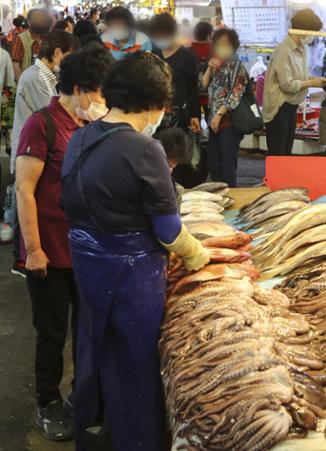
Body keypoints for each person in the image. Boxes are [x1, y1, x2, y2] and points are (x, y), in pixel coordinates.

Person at [60, 51, 209, 451]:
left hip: (89, 269)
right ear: (158, 104)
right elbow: (168, 231)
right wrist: (198, 256)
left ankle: (96, 434)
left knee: (97, 350)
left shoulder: (81, 137)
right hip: (131, 277)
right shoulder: (146, 150)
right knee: (136, 365)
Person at [14, 43, 113, 442]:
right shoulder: (43, 124)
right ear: (81, 89)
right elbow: (24, 190)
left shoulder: (91, 125)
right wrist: (34, 250)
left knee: (87, 328)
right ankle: (48, 401)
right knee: (52, 332)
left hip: (86, 251)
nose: (104, 100)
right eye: (101, 92)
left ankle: (82, 395)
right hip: (49, 252)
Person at [9, 31, 79, 277]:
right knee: (26, 197)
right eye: (70, 56)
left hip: (37, 149)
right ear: (58, 53)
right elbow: (52, 112)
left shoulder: (45, 75)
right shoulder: (36, 77)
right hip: (31, 150)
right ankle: (22, 258)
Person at [263, 8, 326, 156]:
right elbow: (288, 84)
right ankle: (274, 179)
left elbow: (300, 76)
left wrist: (314, 79)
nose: (312, 37)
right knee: (278, 154)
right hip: (279, 108)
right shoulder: (283, 51)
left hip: (291, 107)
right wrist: (311, 84)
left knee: (286, 152)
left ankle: (283, 179)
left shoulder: (301, 49)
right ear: (303, 30)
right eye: (312, 32)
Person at [149, 13, 201, 188]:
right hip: (157, 116)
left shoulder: (186, 56)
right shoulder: (154, 54)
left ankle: (180, 190)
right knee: (158, 154)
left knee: (177, 156)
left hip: (181, 115)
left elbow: (193, 89)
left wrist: (195, 116)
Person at [201, 28, 248, 187]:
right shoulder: (217, 65)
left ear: (233, 46)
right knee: (213, 164)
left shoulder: (238, 67)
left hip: (228, 123)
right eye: (219, 44)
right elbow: (203, 85)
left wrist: (219, 115)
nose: (222, 47)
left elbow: (236, 95)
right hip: (213, 123)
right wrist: (209, 68)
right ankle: (219, 193)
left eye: (226, 44)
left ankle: (231, 196)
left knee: (228, 165)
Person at [12, 8, 53, 80]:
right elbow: (16, 64)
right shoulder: (22, 38)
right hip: (27, 81)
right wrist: (23, 85)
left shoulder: (47, 38)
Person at [191, 21, 214, 118]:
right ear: (209, 34)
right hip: (211, 96)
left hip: (193, 96)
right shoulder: (215, 51)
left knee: (193, 127)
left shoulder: (188, 50)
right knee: (212, 126)